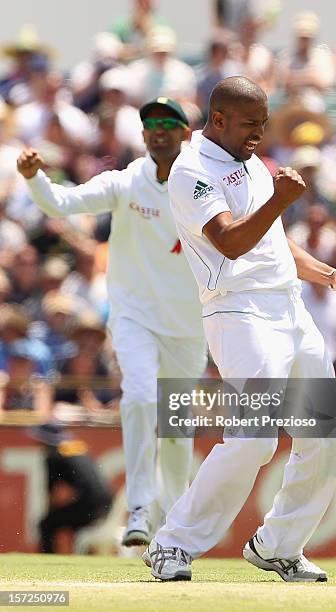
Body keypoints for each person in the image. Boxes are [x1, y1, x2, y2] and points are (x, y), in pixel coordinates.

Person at [142, 76, 336, 582]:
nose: (258, 135)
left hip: (290, 309)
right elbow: (230, 243)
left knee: (324, 432)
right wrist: (280, 199)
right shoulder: (191, 171)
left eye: (263, 125)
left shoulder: (253, 166)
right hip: (238, 312)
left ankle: (278, 546)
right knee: (254, 437)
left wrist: (329, 276)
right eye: (248, 124)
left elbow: (273, 245)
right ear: (217, 119)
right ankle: (172, 544)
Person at [17, 97, 207, 547]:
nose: (159, 130)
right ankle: (140, 506)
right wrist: (34, 177)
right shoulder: (125, 183)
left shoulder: (203, 187)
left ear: (186, 133)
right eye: (151, 125)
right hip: (134, 317)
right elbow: (62, 204)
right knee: (140, 396)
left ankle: (173, 528)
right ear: (143, 137)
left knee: (177, 430)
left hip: (188, 327)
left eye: (168, 123)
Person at [27, 421, 113, 553]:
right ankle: (76, 555)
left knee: (46, 524)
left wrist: (50, 514)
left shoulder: (54, 455)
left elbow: (51, 490)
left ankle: (47, 559)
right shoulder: (79, 447)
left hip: (88, 504)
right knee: (74, 521)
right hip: (106, 503)